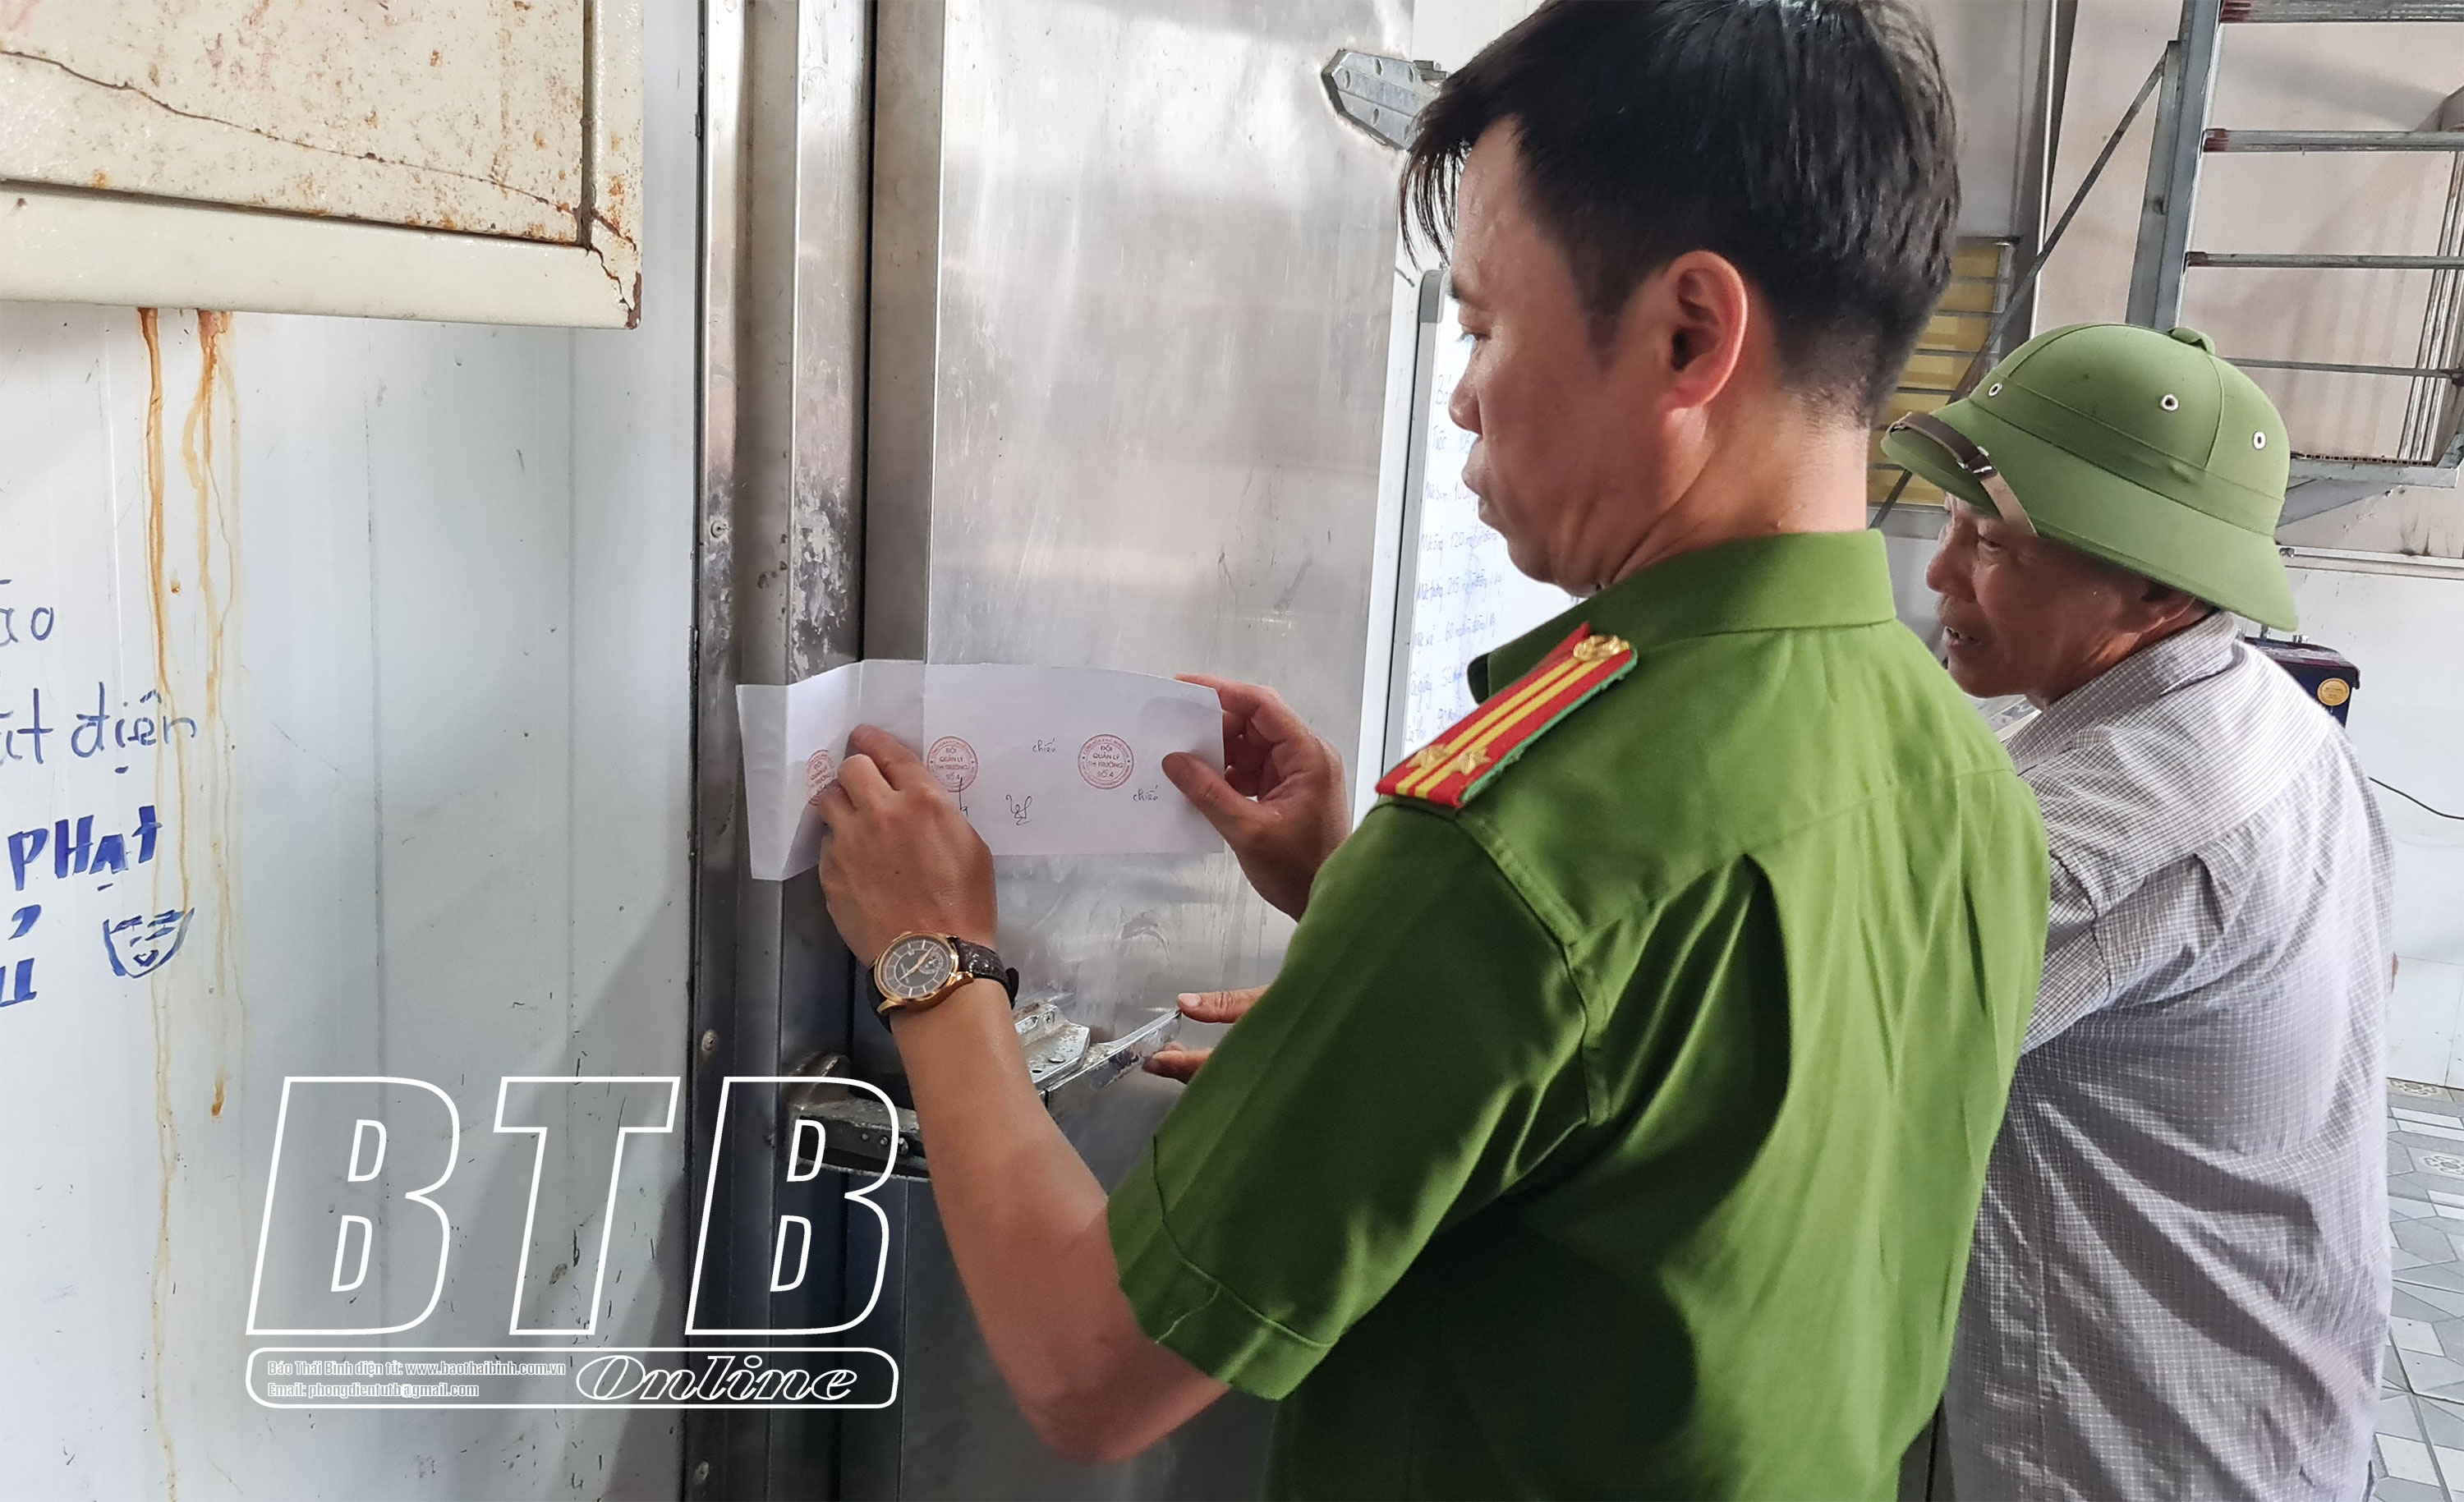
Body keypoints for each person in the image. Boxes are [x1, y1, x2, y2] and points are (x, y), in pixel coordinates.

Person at [811, 1, 2049, 1494]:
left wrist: (934, 957)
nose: (1463, 391)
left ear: (1689, 335)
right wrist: (1357, 901)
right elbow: (1681, 1125)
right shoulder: (1963, 771)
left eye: (1482, 326)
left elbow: (1090, 1365)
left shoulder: (1521, 845)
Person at [1883, 321, 2395, 1500]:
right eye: (1953, 526)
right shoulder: (2268, 711)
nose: (1941, 573)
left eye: (1991, 542)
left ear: (2160, 586)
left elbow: (1810, 1063)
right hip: (2273, 1392)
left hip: (2130, 1443)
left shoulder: (2113, 832)